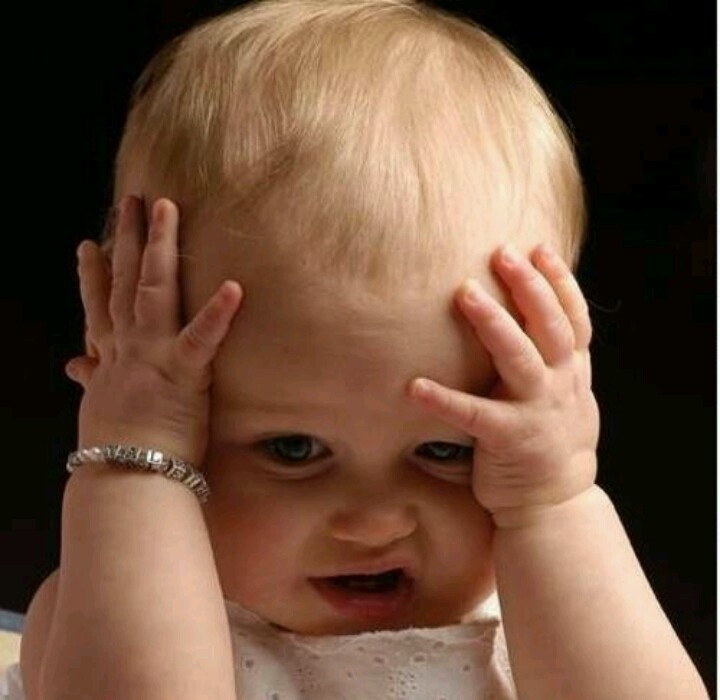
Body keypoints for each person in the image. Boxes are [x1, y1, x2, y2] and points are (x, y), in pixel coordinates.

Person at [5, 0, 708, 698]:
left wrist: (551, 502)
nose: (376, 523)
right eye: (294, 450)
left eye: (446, 451)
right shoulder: (110, 608)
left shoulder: (543, 618)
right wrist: (135, 464)